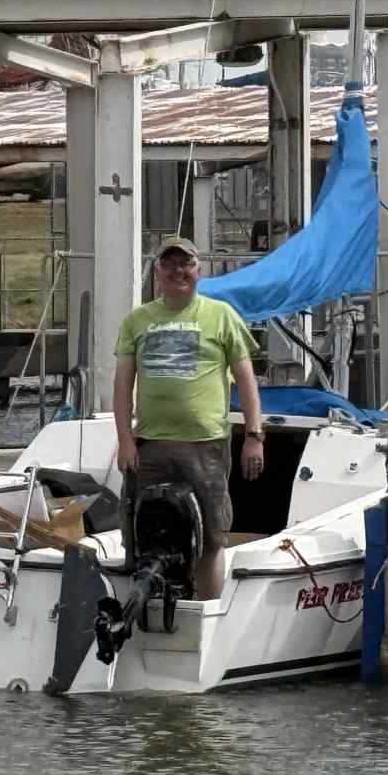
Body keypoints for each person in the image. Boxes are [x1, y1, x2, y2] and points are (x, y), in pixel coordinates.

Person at [113, 235, 265, 600]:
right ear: (157, 272)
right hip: (150, 446)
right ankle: (148, 605)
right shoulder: (136, 321)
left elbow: (246, 379)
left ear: (199, 270)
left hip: (206, 445)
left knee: (211, 537)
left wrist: (254, 435)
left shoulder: (222, 315)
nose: (178, 271)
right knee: (142, 532)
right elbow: (122, 384)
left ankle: (206, 612)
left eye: (186, 264)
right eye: (169, 264)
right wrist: (125, 440)